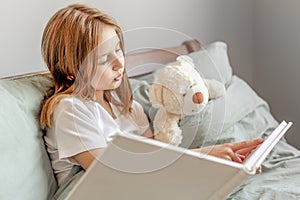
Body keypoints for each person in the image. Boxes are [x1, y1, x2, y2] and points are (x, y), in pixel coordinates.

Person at [40, 4, 263, 187]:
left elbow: (157, 159)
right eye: (103, 59)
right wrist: (206, 156)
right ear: (71, 72)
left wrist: (215, 162)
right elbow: (110, 174)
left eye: (118, 50)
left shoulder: (125, 105)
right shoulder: (70, 109)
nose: (120, 63)